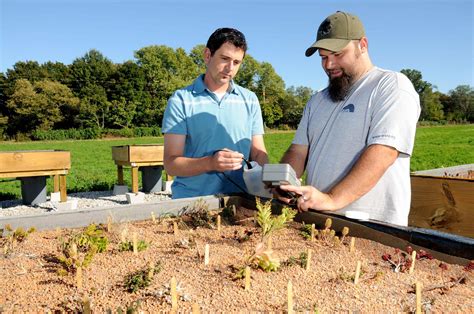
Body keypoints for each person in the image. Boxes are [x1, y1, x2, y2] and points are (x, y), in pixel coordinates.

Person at [277, 11, 420, 226]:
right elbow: (298, 151)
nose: (329, 64)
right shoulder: (317, 101)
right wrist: (284, 183)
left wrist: (332, 199)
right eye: (323, 57)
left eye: (338, 54)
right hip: (318, 220)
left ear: (363, 45)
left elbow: (384, 151)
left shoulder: (391, 86)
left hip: (373, 227)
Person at [162, 27, 268, 199]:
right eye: (224, 58)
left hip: (241, 201)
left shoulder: (250, 99)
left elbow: (258, 153)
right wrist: (210, 163)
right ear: (207, 55)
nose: (230, 68)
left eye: (237, 62)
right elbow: (171, 164)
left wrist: (270, 181)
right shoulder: (181, 100)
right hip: (191, 202)